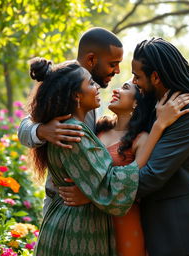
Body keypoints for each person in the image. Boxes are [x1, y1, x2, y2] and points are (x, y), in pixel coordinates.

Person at [61, 38, 189, 256]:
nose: (134, 82)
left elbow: (153, 174)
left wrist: (95, 194)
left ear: (156, 77)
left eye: (137, 76)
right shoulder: (157, 105)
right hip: (162, 231)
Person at [28, 58, 189, 256]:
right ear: (77, 96)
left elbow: (110, 182)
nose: (98, 87)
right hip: (77, 226)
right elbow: (109, 183)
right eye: (90, 83)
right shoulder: (75, 132)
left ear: (136, 103)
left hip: (104, 219)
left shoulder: (73, 129)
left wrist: (90, 193)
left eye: (125, 88)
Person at [18, 27, 125, 214]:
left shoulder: (91, 93)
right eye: (113, 64)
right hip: (63, 206)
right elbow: (24, 128)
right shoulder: (64, 80)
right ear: (91, 59)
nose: (117, 70)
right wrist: (42, 130)